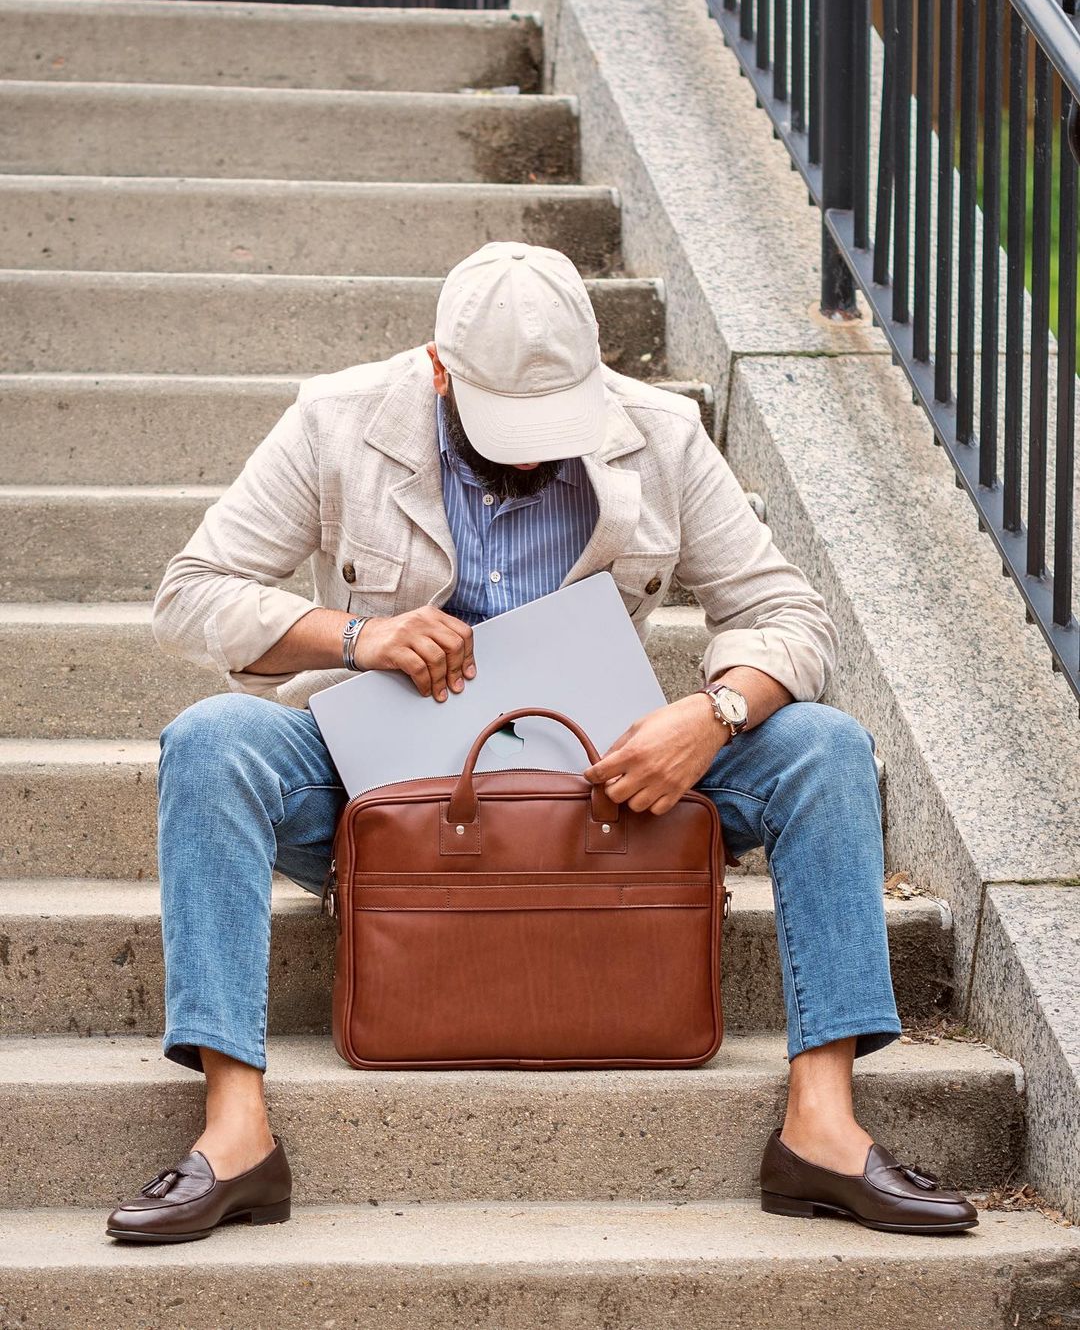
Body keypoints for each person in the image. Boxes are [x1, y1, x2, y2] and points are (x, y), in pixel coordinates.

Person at [105, 241, 977, 1243]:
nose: (528, 453)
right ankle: (235, 1132)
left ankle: (821, 1126)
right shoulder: (338, 418)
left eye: (551, 424)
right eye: (503, 427)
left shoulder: (660, 431)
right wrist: (360, 636)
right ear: (440, 370)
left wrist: (712, 714)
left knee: (822, 745)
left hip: (605, 790)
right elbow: (190, 595)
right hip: (391, 794)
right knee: (210, 741)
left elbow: (790, 615)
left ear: (595, 370)